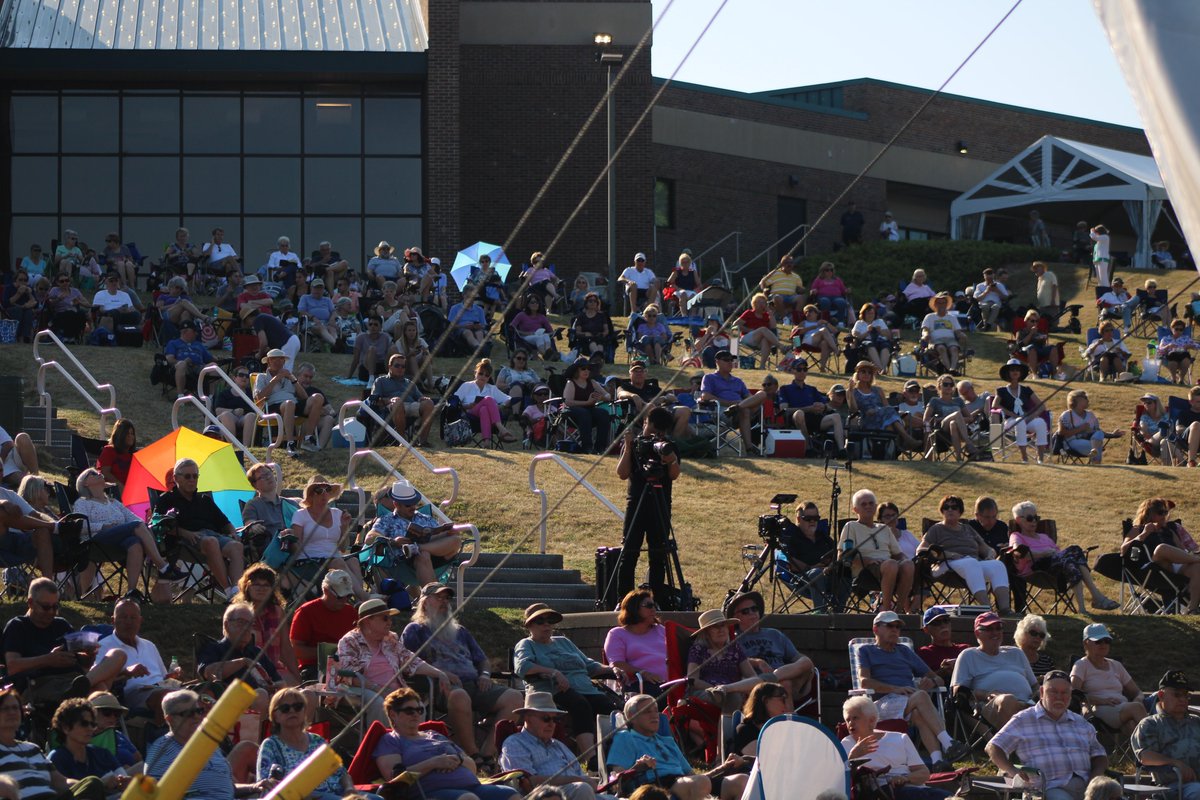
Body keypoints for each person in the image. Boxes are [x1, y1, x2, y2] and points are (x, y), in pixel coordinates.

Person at [403, 584, 523, 763]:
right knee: (460, 695)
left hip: (474, 683)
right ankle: (473, 755)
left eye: (447, 599)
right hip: (439, 686)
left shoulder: (460, 631)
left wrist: (484, 675)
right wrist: (440, 673)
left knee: (514, 698)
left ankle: (488, 754)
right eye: (439, 598)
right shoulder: (415, 630)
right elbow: (408, 662)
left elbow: (482, 660)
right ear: (425, 602)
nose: (444, 602)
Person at [857, 610, 965, 771]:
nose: (895, 630)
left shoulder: (904, 651)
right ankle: (948, 742)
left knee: (918, 713)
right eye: (890, 626)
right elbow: (864, 682)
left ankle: (937, 761)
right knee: (920, 696)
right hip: (882, 704)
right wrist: (896, 689)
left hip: (909, 701)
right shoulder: (866, 651)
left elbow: (938, 679)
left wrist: (931, 682)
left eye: (897, 627)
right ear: (876, 629)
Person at [373, 687, 520, 800]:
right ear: (393, 714)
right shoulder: (390, 740)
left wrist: (457, 760)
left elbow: (471, 765)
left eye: (419, 709)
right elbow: (395, 779)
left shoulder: (435, 735)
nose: (416, 714)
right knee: (467, 798)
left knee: (511, 795)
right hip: (431, 793)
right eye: (409, 710)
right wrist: (434, 763)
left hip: (471, 786)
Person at [514, 603, 620, 758]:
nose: (546, 625)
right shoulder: (527, 644)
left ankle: (615, 755)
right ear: (529, 625)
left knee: (609, 708)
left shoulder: (563, 641)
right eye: (540, 621)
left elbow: (589, 665)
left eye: (549, 621)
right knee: (580, 704)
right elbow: (523, 667)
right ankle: (590, 757)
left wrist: (614, 669)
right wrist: (553, 672)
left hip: (585, 687)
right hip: (552, 690)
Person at [987, 670, 1108, 800]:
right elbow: (993, 747)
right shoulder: (1023, 720)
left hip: (1088, 787)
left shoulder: (1080, 722)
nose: (1059, 697)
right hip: (1048, 788)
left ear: (1070, 695)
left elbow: (1100, 755)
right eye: (1053, 691)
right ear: (1042, 693)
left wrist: (1094, 779)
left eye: (1064, 692)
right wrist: (1013, 771)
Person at [606, 694, 747, 800]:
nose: (654, 715)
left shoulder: (667, 741)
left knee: (741, 780)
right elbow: (617, 779)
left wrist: (724, 767)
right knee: (700, 782)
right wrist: (637, 768)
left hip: (683, 783)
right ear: (631, 716)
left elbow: (692, 776)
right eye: (647, 711)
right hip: (655, 786)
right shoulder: (626, 737)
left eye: (655, 711)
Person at [3, 578, 128, 696]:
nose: (51, 612)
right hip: (41, 683)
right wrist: (47, 659)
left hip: (73, 679)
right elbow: (13, 666)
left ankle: (84, 686)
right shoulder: (18, 626)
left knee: (118, 654)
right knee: (100, 686)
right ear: (31, 603)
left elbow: (84, 664)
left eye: (55, 607)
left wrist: (90, 655)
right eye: (46, 607)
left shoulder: (61, 624)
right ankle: (102, 705)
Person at [338, 599, 451, 727]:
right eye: (385, 618)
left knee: (417, 706)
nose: (390, 622)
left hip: (392, 690)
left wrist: (439, 673)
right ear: (368, 621)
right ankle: (382, 743)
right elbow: (349, 676)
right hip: (362, 690)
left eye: (390, 618)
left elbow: (410, 660)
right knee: (379, 703)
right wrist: (378, 689)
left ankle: (411, 744)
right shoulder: (349, 641)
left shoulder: (390, 639)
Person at [146, 689, 275, 799]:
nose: (196, 717)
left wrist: (253, 787)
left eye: (199, 711)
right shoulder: (162, 750)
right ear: (170, 719)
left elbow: (226, 787)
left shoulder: (209, 747)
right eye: (188, 713)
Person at [73, 467, 187, 590]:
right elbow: (81, 526)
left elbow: (135, 519)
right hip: (96, 542)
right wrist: (103, 526)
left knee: (135, 543)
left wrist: (148, 526)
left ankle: (131, 591)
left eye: (97, 472)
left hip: (118, 543)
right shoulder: (82, 503)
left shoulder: (114, 503)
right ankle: (163, 567)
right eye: (93, 474)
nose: (98, 473)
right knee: (137, 526)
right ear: (85, 483)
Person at [153, 457, 244, 597]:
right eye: (187, 476)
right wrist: (185, 533)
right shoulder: (166, 500)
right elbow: (158, 524)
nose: (192, 479)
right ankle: (228, 591)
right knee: (211, 542)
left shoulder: (204, 500)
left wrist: (233, 533)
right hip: (183, 542)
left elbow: (224, 522)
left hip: (212, 535)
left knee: (236, 546)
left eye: (195, 476)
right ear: (176, 478)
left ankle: (236, 590)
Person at [615, 407, 680, 599]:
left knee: (658, 554)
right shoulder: (635, 445)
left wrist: (670, 460)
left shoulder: (669, 446)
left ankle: (656, 600)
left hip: (660, 502)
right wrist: (628, 446)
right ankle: (624, 599)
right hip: (636, 503)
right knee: (629, 552)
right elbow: (622, 473)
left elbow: (674, 475)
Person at [499, 692, 612, 800]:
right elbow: (529, 782)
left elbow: (580, 774)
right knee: (582, 788)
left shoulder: (559, 745)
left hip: (578, 792)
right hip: (545, 796)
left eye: (555, 719)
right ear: (528, 718)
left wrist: (590, 781)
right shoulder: (515, 743)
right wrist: (577, 780)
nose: (551, 724)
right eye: (546, 718)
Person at [257, 688, 365, 800]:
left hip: (339, 793)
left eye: (298, 707)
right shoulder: (271, 746)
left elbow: (342, 773)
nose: (292, 711)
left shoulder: (317, 741)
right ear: (275, 716)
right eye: (285, 708)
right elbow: (267, 786)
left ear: (304, 712)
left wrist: (349, 789)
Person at [1008, 500, 1118, 610]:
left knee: (1071, 560)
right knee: (1074, 551)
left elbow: (1059, 554)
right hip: (1037, 570)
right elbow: (1019, 553)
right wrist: (1044, 553)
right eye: (1029, 518)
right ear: (1019, 520)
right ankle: (1097, 598)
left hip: (1056, 568)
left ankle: (1083, 609)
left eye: (1036, 518)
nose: (1034, 521)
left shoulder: (1044, 537)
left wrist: (1053, 553)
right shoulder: (1016, 536)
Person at [841, 694, 949, 800]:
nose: (850, 723)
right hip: (884, 791)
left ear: (872, 720)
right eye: (847, 720)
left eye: (855, 718)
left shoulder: (899, 738)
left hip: (914, 788)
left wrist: (905, 778)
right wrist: (852, 757)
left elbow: (924, 773)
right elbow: (842, 779)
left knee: (949, 796)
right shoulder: (846, 744)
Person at [918, 494, 1012, 612]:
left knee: (997, 565)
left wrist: (989, 554)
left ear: (960, 511)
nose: (950, 510)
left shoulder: (967, 528)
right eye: (946, 507)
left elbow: (985, 548)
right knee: (971, 562)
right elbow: (921, 550)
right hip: (948, 564)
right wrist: (948, 554)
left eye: (954, 507)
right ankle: (987, 609)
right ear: (942, 511)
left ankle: (1005, 609)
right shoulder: (936, 529)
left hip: (972, 563)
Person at [363, 479, 462, 592]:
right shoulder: (386, 520)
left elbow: (437, 534)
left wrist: (446, 532)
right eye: (408, 504)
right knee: (423, 555)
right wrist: (393, 541)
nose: (413, 507)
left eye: (414, 502)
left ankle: (416, 548)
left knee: (456, 540)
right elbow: (369, 538)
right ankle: (432, 595)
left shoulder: (425, 518)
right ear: (396, 504)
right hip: (405, 563)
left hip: (435, 555)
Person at [950, 611, 1037, 728]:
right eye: (989, 629)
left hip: (1027, 704)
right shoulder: (969, 655)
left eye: (998, 628)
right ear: (977, 633)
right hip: (990, 706)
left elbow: (1035, 685)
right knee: (1008, 700)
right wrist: (986, 694)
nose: (995, 632)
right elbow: (959, 693)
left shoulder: (1016, 653)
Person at [724, 590, 815, 702]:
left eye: (754, 608)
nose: (752, 613)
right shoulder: (733, 639)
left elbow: (797, 658)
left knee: (806, 662)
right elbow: (730, 660)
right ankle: (788, 715)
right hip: (755, 685)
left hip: (785, 678)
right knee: (784, 684)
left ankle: (775, 677)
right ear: (736, 617)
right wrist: (757, 662)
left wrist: (787, 671)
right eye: (745, 611)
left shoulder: (774, 634)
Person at [0, 685, 88, 800]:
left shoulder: (32, 749)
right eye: (5, 708)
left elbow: (61, 782)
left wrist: (88, 784)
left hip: (51, 797)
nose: (11, 712)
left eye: (15, 708)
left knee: (93, 785)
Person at [196, 602, 283, 712]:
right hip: (228, 707)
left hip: (264, 702)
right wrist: (243, 662)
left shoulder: (256, 652)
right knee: (260, 695)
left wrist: (273, 685)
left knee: (306, 694)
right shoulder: (214, 648)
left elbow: (281, 682)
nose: (246, 628)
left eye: (250, 624)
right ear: (227, 625)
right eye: (241, 622)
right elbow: (208, 673)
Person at [1121, 497, 1200, 614]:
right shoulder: (1138, 529)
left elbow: (1182, 550)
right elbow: (1123, 549)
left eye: (1165, 512)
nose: (1164, 515)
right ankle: (1197, 559)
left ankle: (1192, 609)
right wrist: (1144, 534)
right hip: (1153, 566)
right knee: (1162, 548)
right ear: (1149, 514)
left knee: (1197, 567)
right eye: (1160, 512)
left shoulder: (1170, 530)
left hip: (1175, 566)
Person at [838, 489, 912, 613]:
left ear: (876, 506)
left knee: (908, 565)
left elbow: (898, 554)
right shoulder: (851, 526)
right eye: (863, 504)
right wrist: (868, 561)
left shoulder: (884, 528)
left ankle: (900, 610)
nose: (868, 506)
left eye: (871, 503)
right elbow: (843, 556)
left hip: (888, 567)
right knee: (891, 564)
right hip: (865, 572)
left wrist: (906, 560)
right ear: (855, 509)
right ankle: (886, 611)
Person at [96, 598, 175, 714]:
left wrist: (173, 677)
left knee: (203, 692)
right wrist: (125, 672)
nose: (128, 622)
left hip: (162, 688)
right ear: (113, 620)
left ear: (140, 621)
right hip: (134, 692)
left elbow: (164, 678)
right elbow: (97, 680)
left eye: (133, 618)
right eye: (123, 617)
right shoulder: (103, 646)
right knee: (167, 697)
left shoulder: (149, 645)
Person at [1131, 670, 1200, 800]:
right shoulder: (1150, 724)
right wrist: (1175, 763)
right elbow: (1145, 757)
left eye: (1186, 695)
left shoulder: (1196, 722)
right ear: (1162, 695)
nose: (1183, 699)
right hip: (1171, 786)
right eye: (1177, 695)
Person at [1070, 623, 1146, 738]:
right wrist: (1101, 700)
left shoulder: (1116, 665)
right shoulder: (1081, 665)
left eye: (1106, 641)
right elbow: (1073, 693)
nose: (1103, 644)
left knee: (1131, 725)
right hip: (1097, 709)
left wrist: (1138, 700)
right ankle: (1161, 750)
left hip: (1123, 708)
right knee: (1136, 709)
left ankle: (1144, 755)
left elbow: (1137, 692)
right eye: (1098, 641)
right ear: (1086, 643)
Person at [47, 697, 130, 794]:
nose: (90, 728)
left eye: (93, 724)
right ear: (66, 728)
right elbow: (63, 793)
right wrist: (102, 784)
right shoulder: (57, 759)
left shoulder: (103, 753)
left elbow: (124, 779)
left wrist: (125, 782)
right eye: (84, 724)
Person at [288, 570, 358, 681]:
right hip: (315, 668)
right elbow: (295, 650)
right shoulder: (306, 612)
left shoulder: (351, 612)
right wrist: (327, 653)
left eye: (348, 596)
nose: (344, 600)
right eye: (340, 596)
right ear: (326, 590)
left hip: (347, 666)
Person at [603, 589, 668, 700]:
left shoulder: (661, 630)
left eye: (654, 605)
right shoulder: (617, 634)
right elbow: (617, 664)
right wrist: (642, 673)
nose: (653, 609)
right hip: (639, 685)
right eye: (649, 605)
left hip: (670, 683)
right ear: (633, 608)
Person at [700, 349, 768, 453]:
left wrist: (740, 404)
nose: (730, 363)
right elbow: (705, 396)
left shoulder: (738, 381)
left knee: (762, 394)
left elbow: (749, 397)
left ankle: (738, 407)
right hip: (723, 411)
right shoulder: (709, 378)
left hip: (741, 410)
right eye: (726, 360)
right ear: (717, 362)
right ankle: (749, 448)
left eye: (731, 360)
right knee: (744, 410)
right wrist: (729, 404)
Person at [848, 361, 921, 451]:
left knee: (890, 423)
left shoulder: (878, 390)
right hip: (867, 420)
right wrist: (851, 392)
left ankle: (890, 451)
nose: (866, 374)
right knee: (891, 416)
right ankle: (906, 439)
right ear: (857, 374)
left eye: (869, 372)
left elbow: (887, 406)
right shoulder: (852, 391)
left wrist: (878, 410)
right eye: (863, 371)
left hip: (883, 417)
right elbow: (853, 410)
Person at [777, 360, 845, 452]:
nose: (802, 372)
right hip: (796, 420)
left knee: (836, 416)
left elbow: (827, 406)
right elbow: (784, 410)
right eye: (799, 369)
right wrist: (809, 409)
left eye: (804, 369)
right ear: (793, 370)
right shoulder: (785, 389)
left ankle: (842, 450)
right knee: (799, 413)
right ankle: (808, 447)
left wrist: (822, 407)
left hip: (814, 418)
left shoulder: (812, 389)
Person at [370, 353, 436, 447]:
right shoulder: (381, 381)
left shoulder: (409, 383)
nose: (400, 368)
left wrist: (423, 399)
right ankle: (403, 441)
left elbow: (419, 397)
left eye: (403, 366)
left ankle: (423, 441)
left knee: (429, 403)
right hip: (390, 406)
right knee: (398, 402)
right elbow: (374, 399)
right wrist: (390, 400)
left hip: (410, 405)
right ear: (390, 366)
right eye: (397, 366)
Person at [993, 358, 1049, 463]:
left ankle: (1040, 458)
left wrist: (1032, 416)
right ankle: (1024, 458)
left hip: (1027, 419)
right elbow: (995, 405)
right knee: (1019, 422)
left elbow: (1041, 406)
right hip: (1010, 421)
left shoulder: (1026, 390)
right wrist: (1011, 414)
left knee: (1040, 422)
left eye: (1017, 370)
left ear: (1021, 373)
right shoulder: (1002, 391)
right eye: (1012, 370)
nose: (1015, 372)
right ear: (1007, 373)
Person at [615, 362, 691, 438]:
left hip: (660, 413)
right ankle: (645, 440)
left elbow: (673, 397)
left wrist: (664, 398)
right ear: (630, 374)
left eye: (641, 371)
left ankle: (674, 442)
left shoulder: (652, 388)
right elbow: (620, 394)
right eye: (635, 371)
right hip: (636, 415)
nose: (639, 374)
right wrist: (633, 395)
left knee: (685, 410)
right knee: (650, 406)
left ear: (645, 374)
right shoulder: (625, 386)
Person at [562, 356, 613, 454]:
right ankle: (587, 447)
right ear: (577, 371)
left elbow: (608, 395)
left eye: (588, 369)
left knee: (603, 413)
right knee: (584, 413)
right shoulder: (571, 383)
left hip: (589, 411)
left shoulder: (592, 382)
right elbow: (567, 402)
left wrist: (602, 398)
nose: (586, 371)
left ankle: (600, 447)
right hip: (572, 413)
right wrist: (587, 403)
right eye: (583, 369)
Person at [924, 373, 980, 461]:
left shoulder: (958, 400)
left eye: (951, 384)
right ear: (939, 386)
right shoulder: (934, 400)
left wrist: (958, 419)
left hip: (958, 428)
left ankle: (958, 458)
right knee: (957, 414)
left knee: (953, 423)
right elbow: (926, 419)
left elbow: (970, 418)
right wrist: (945, 418)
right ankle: (969, 444)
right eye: (945, 384)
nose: (949, 387)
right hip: (942, 428)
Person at [88, 691, 143, 774]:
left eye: (117, 714)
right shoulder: (83, 738)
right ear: (92, 713)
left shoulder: (118, 735)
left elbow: (139, 759)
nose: (113, 717)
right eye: (107, 713)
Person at [732, 681, 791, 756]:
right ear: (765, 700)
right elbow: (762, 758)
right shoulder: (746, 729)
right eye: (782, 700)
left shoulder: (783, 727)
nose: (787, 706)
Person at [163, 319, 215, 400]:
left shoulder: (199, 345)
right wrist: (184, 362)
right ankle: (180, 397)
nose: (196, 333)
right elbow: (169, 359)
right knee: (181, 365)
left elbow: (210, 358)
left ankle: (212, 397)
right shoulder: (173, 343)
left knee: (214, 366)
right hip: (183, 368)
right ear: (185, 332)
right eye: (194, 331)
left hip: (199, 367)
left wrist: (218, 359)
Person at [915, 606, 969, 682]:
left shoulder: (965, 649)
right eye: (936, 623)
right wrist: (943, 671)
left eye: (946, 621)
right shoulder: (924, 653)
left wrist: (959, 663)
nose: (943, 625)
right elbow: (922, 681)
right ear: (926, 629)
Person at [920, 293, 965, 374]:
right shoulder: (929, 317)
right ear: (935, 305)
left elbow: (958, 331)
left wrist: (961, 335)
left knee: (954, 348)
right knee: (941, 348)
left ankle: (952, 369)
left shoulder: (952, 317)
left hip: (950, 339)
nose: (941, 305)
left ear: (946, 304)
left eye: (943, 303)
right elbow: (925, 329)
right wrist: (925, 335)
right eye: (939, 303)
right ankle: (949, 370)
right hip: (935, 340)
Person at [512, 294, 558, 360]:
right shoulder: (521, 315)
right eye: (532, 302)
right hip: (525, 336)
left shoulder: (542, 317)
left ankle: (548, 353)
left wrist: (555, 332)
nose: (535, 304)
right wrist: (525, 333)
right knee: (538, 338)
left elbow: (550, 331)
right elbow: (512, 327)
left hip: (539, 335)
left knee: (545, 336)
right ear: (527, 304)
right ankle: (547, 356)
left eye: (537, 302)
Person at [851, 302, 894, 372]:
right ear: (864, 314)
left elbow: (889, 335)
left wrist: (880, 331)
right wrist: (867, 331)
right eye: (868, 313)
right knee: (870, 345)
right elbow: (856, 336)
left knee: (885, 345)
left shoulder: (879, 321)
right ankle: (880, 369)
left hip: (879, 340)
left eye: (872, 313)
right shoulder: (859, 323)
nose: (870, 315)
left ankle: (882, 369)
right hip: (866, 342)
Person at [96, 418, 136, 490]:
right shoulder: (109, 451)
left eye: (132, 433)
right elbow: (105, 473)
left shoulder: (134, 454)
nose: (130, 436)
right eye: (127, 433)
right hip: (113, 492)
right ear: (120, 435)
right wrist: (120, 487)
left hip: (133, 491)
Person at [1014, 614, 1055, 679]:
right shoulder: (1012, 659)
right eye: (1033, 633)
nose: (1038, 637)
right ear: (1022, 633)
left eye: (1041, 635)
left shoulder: (1047, 661)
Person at [1158, 319, 1198, 385]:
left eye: (1181, 329)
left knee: (1186, 359)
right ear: (1171, 328)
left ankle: (1181, 380)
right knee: (1173, 357)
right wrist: (1168, 346)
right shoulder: (1166, 339)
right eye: (1176, 329)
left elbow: (1197, 346)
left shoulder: (1186, 338)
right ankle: (1174, 379)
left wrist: (1189, 346)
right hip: (1171, 355)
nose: (1178, 331)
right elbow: (1160, 349)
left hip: (1183, 355)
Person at [0, 424, 40, 490]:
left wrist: (0, 461)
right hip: (5, 470)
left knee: (23, 437)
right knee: (26, 481)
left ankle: (37, 476)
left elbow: (8, 443)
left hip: (12, 456)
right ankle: (38, 486)